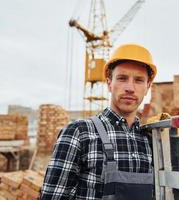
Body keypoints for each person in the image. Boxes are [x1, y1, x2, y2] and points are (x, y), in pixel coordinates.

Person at [40, 43, 157, 199]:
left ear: (148, 86)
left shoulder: (151, 140)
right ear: (109, 83)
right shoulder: (78, 133)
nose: (130, 87)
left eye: (139, 80)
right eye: (122, 78)